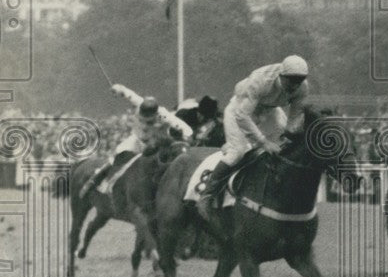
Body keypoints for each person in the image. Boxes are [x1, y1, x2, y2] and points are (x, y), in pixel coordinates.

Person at [196, 55, 309, 214]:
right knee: (238, 152)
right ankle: (207, 195)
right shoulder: (261, 80)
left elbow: (295, 117)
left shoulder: (302, 87)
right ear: (281, 75)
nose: (295, 85)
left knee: (284, 148)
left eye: (300, 80)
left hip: (269, 110)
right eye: (291, 80)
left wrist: (289, 136)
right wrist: (264, 142)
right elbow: (242, 116)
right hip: (240, 110)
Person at [80, 85, 193, 198]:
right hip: (136, 140)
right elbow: (130, 95)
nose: (144, 123)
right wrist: (119, 89)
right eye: (142, 118)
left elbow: (183, 127)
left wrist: (186, 135)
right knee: (117, 155)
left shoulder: (162, 115)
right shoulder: (140, 103)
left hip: (154, 143)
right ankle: (93, 180)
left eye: (148, 121)